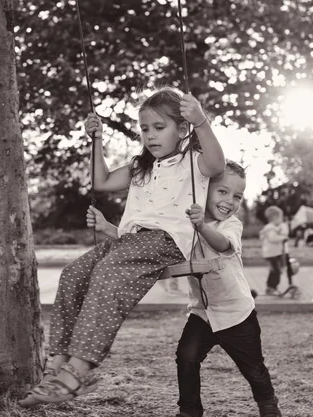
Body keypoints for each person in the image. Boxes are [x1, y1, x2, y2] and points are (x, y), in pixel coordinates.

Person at [18, 87, 226, 407]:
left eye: (159, 128)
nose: (150, 136)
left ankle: (79, 370)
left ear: (182, 130)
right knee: (73, 274)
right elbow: (100, 183)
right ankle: (57, 366)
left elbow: (217, 164)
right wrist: (97, 140)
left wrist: (201, 122)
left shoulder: (193, 162)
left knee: (107, 273)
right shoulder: (139, 167)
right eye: (145, 129)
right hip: (130, 241)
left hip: (166, 239)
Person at [178, 161, 282, 417]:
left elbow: (224, 246)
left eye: (237, 196)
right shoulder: (182, 225)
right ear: (203, 189)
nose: (230, 201)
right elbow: (148, 243)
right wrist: (107, 229)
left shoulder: (230, 225)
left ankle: (269, 407)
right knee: (186, 357)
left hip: (237, 314)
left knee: (254, 369)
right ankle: (189, 411)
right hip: (202, 313)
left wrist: (202, 226)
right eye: (222, 191)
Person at [259, 206, 289, 295]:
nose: (281, 220)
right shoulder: (270, 228)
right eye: (281, 218)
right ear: (275, 217)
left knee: (275, 271)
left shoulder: (271, 227)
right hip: (271, 254)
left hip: (273, 253)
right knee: (276, 271)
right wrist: (283, 238)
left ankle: (270, 287)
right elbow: (272, 238)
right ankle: (271, 288)